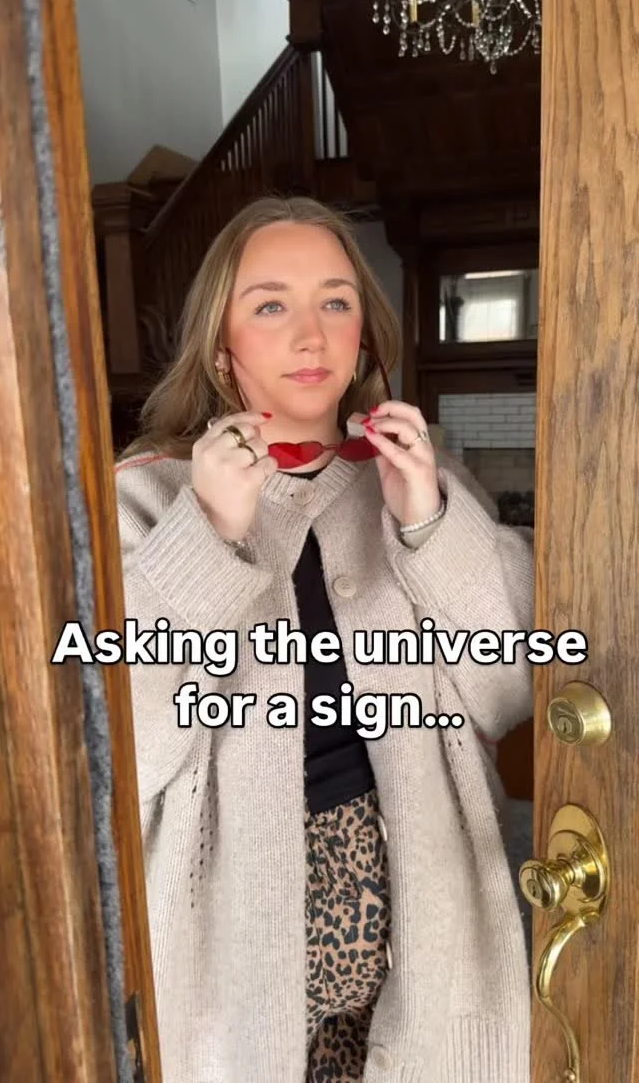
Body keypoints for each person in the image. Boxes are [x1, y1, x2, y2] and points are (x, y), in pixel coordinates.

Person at [115, 196, 533, 1083]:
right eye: (271, 304)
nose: (311, 334)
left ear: (363, 334)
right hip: (227, 970)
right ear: (221, 347)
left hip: (427, 950)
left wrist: (430, 525)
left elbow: (508, 693)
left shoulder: (426, 479)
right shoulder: (141, 499)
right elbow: (123, 757)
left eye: (336, 302)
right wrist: (206, 536)